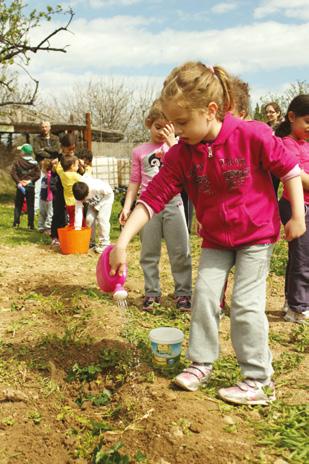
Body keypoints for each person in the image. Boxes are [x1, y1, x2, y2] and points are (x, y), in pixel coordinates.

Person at [110, 61, 305, 405]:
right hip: (216, 239)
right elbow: (152, 198)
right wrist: (122, 241)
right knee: (204, 297)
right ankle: (201, 363)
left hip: (256, 237)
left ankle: (259, 379)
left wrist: (298, 217)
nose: (177, 131)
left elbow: (289, 170)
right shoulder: (182, 155)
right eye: (173, 123)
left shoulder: (252, 134)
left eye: (183, 122)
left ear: (211, 110)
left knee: (245, 305)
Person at [119, 99, 192, 312]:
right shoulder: (139, 151)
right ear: (148, 124)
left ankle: (183, 293)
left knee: (180, 251)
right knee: (149, 252)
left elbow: (186, 169)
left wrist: (172, 144)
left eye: (166, 128)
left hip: (174, 203)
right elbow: (134, 180)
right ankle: (152, 292)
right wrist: (127, 206)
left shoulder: (178, 148)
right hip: (146, 206)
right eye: (157, 127)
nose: (161, 132)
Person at [276, 95, 309, 323]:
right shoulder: (285, 144)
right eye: (307, 120)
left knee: (301, 255)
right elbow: (295, 175)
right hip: (296, 206)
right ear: (291, 117)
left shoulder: (305, 143)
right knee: (302, 257)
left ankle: (292, 301)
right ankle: (298, 307)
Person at [73, 177, 114, 253]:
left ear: (88, 192)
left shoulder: (97, 187)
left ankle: (105, 243)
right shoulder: (78, 193)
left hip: (106, 200)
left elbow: (110, 193)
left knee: (102, 219)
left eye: (84, 199)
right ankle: (92, 242)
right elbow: (78, 211)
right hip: (93, 203)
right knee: (89, 219)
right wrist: (77, 229)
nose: (83, 201)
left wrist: (99, 206)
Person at [50, 134, 76, 246]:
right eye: (69, 148)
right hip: (59, 188)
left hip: (72, 190)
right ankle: (55, 236)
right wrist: (53, 167)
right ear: (63, 147)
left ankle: (70, 234)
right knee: (58, 211)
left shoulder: (75, 158)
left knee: (72, 213)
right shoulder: (58, 158)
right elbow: (53, 173)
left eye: (73, 148)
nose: (71, 151)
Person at [10, 144, 41, 229]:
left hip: (20, 186)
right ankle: (30, 225)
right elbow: (38, 175)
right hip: (30, 186)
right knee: (30, 206)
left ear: (23, 152)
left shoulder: (17, 162)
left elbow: (13, 173)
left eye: (21, 151)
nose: (20, 152)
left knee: (18, 205)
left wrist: (19, 182)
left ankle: (16, 223)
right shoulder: (35, 163)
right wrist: (30, 181)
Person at [32, 121, 60, 212]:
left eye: (46, 126)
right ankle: (36, 208)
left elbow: (56, 150)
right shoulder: (37, 139)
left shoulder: (55, 138)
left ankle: (54, 207)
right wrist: (50, 155)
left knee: (54, 186)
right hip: (42, 165)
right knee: (39, 187)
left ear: (50, 127)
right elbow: (37, 151)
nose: (44, 128)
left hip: (53, 166)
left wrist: (45, 149)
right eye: (43, 127)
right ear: (41, 128)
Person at [263, 102, 284, 198]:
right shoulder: (264, 127)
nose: (268, 114)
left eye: (271, 112)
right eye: (267, 112)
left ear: (278, 113)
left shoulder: (283, 128)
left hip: (279, 161)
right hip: (266, 161)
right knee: (268, 188)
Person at [55, 155, 82, 226]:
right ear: (72, 166)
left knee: (72, 220)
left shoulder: (62, 174)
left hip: (68, 203)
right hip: (76, 202)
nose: (78, 167)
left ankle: (73, 233)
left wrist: (61, 160)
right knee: (79, 220)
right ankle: (77, 234)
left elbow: (58, 167)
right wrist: (88, 168)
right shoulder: (75, 175)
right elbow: (86, 179)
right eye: (77, 165)